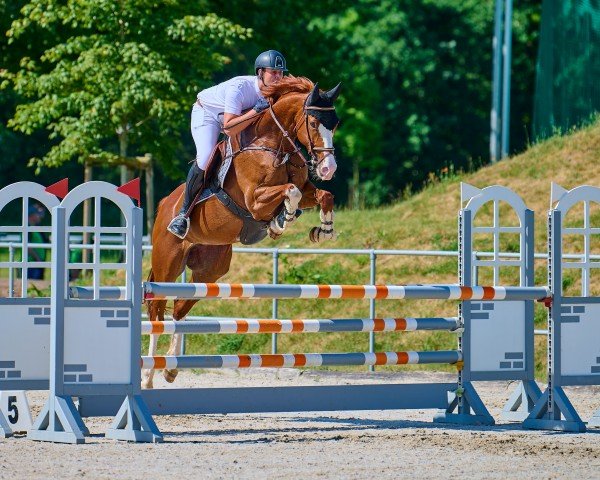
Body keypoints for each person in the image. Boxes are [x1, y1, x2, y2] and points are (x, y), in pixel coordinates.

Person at [167, 49, 288, 239]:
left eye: (280, 73)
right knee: (206, 158)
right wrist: (255, 111)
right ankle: (183, 214)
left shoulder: (277, 92)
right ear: (260, 73)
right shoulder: (239, 88)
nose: (277, 77)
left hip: (237, 119)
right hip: (208, 115)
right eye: (273, 72)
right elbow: (230, 128)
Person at [27, 203, 48, 280]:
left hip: (37, 263)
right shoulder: (27, 228)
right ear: (31, 215)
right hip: (32, 264)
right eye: (37, 214)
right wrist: (38, 259)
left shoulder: (35, 228)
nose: (39, 216)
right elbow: (28, 247)